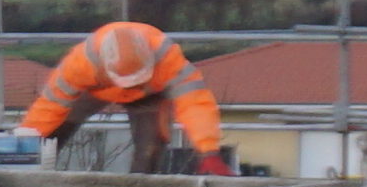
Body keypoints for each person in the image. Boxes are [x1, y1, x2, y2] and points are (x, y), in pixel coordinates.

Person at [23, 19, 234, 175]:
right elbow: (49, 106)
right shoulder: (80, 64)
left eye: (137, 78)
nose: (130, 86)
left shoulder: (168, 60)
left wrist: (209, 152)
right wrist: (26, 142)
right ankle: (32, 181)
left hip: (148, 94)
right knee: (51, 134)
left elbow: (195, 104)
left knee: (150, 151)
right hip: (95, 89)